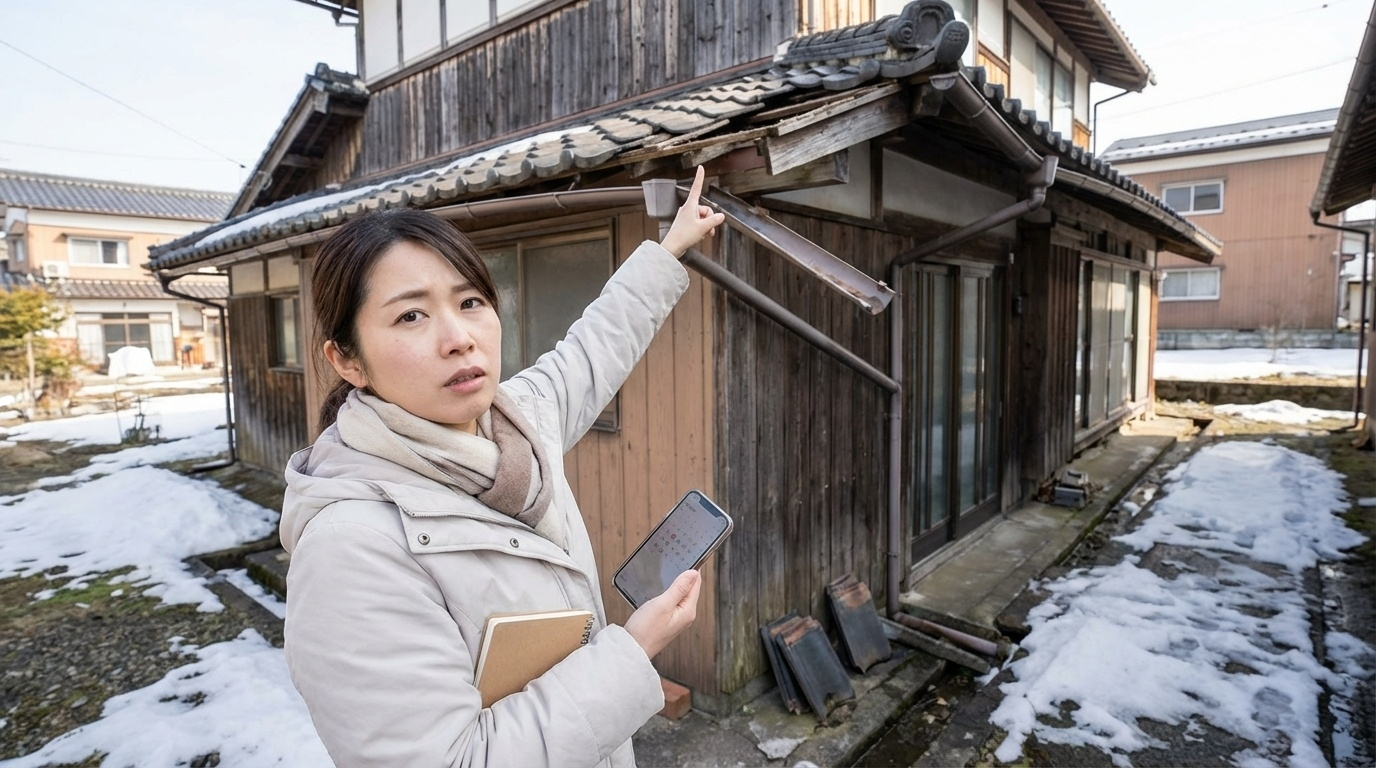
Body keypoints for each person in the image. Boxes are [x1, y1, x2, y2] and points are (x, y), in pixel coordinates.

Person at [281, 167, 726, 767]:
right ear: (348, 361)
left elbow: (597, 342)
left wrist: (671, 247)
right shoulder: (349, 549)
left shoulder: (519, 423)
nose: (459, 337)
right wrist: (632, 650)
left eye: (470, 301)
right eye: (411, 316)